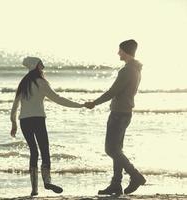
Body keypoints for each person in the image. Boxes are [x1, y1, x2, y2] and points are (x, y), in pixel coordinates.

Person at [10, 57, 85, 196]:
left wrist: (13, 123)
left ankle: (34, 189)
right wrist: (80, 105)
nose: (43, 67)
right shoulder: (41, 83)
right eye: (41, 65)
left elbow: (15, 106)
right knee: (44, 150)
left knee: (33, 151)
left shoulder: (23, 83)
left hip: (24, 121)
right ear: (35, 66)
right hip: (38, 120)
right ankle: (47, 181)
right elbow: (58, 99)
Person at [85, 39, 146, 195]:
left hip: (119, 113)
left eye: (119, 50)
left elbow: (113, 92)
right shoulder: (135, 69)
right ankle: (116, 184)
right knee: (117, 149)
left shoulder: (127, 70)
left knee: (111, 149)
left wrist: (94, 103)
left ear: (125, 51)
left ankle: (135, 175)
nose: (118, 53)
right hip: (125, 112)